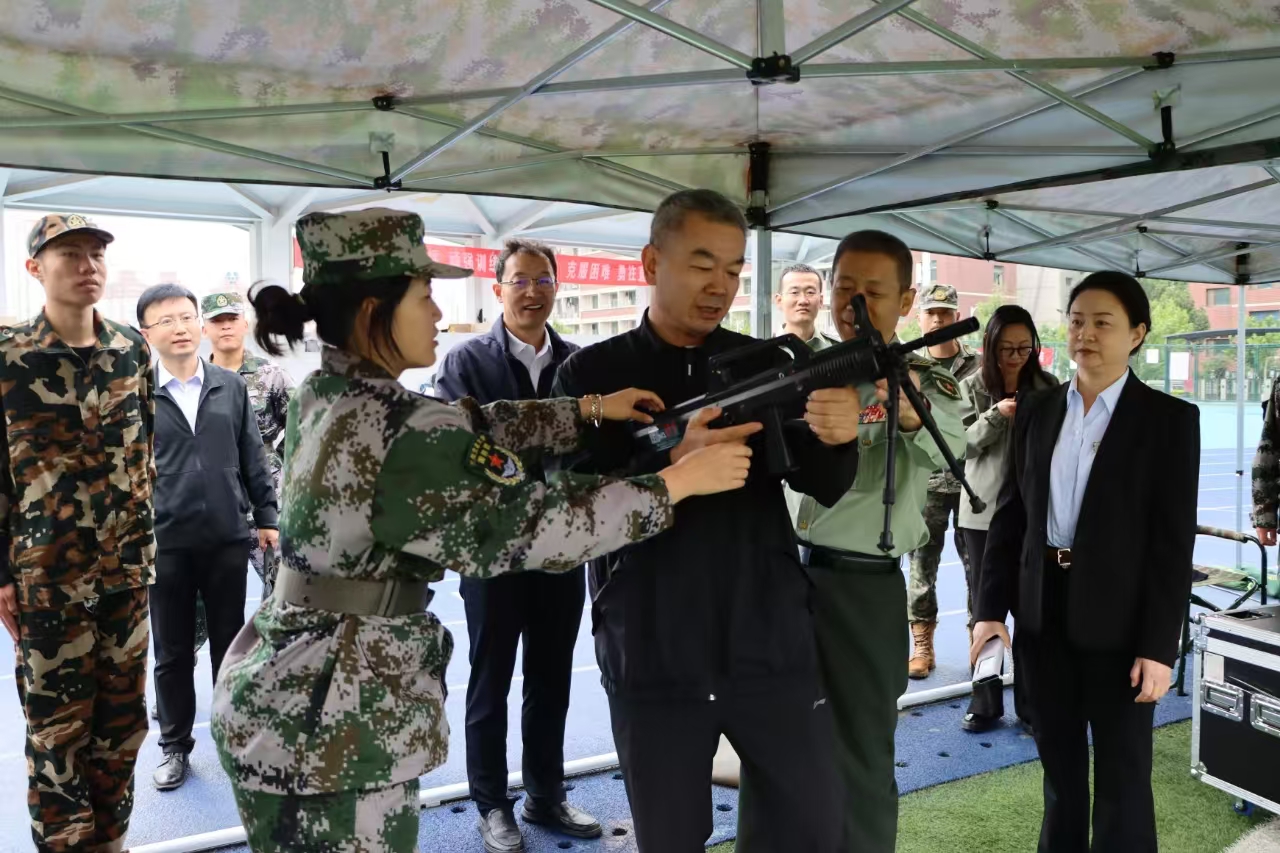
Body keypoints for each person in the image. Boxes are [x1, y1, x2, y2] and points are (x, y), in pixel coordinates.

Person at [210, 208, 751, 853]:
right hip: (332, 721)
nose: (439, 313)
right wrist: (677, 482)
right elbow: (533, 526)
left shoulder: (330, 391)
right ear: (373, 311)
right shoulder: (398, 429)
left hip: (297, 693)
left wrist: (587, 409)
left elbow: (471, 424)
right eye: (425, 296)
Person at [552, 189, 863, 853]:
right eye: (701, 264)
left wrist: (839, 437)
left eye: (732, 269)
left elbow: (825, 483)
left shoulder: (768, 362)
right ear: (650, 263)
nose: (719, 285)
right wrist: (672, 462)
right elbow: (568, 511)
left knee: (813, 827)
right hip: (652, 650)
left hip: (769, 640)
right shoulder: (591, 378)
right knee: (670, 837)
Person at [740, 230, 967, 853]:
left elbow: (952, 441)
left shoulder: (924, 381)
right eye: (844, 288)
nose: (854, 304)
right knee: (768, 744)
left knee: (860, 756)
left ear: (906, 301)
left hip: (862, 589)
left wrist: (898, 412)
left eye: (873, 291)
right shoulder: (797, 367)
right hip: (784, 576)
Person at [972, 271, 1199, 852]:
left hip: (1123, 629)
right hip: (1043, 616)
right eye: (1076, 321)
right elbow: (1011, 516)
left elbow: (1171, 546)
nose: (1086, 334)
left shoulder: (1169, 421)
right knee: (1060, 777)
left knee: (1124, 778)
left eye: (1103, 322)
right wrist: (989, 609)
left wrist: (1159, 647)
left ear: (1137, 334)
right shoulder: (1038, 409)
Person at [432, 239, 597, 852]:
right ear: (497, 289)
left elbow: (592, 451)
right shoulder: (466, 360)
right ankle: (491, 804)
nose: (532, 291)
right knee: (490, 678)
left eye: (543, 279)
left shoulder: (580, 364)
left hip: (561, 548)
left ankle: (546, 794)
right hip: (491, 550)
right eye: (520, 280)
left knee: (552, 677)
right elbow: (459, 446)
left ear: (558, 287)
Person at [1, 213, 156, 852]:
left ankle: (112, 840)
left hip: (127, 575)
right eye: (70, 253)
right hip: (48, 580)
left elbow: (146, 455)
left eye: (96, 253)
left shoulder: (131, 348)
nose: (88, 265)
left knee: (122, 726)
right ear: (35, 268)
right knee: (56, 731)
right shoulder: (9, 355)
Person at [138, 283, 279, 792]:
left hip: (226, 538)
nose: (179, 328)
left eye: (185, 317)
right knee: (172, 652)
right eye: (165, 321)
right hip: (166, 543)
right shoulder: (136, 394)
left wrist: (266, 516)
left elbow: (252, 454)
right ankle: (175, 748)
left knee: (230, 647)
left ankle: (238, 742)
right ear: (146, 334)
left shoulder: (229, 386)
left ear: (199, 324)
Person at [954, 304, 1058, 734]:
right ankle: (985, 702)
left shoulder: (1049, 387)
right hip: (982, 515)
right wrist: (997, 415)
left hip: (1036, 517)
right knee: (985, 609)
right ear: (989, 347)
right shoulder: (970, 387)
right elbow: (958, 445)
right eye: (1006, 349)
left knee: (1034, 609)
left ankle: (1032, 705)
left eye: (1023, 348)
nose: (1015, 357)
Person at [905, 283, 980, 679]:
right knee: (921, 567)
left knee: (977, 568)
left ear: (957, 318)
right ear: (920, 318)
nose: (938, 320)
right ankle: (922, 646)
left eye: (945, 313)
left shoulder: (979, 365)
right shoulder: (909, 366)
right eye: (931, 313)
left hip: (973, 483)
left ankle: (979, 641)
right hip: (926, 482)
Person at [205, 290, 295, 597]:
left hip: (266, 507)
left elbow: (302, 429)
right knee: (212, 603)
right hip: (215, 507)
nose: (226, 326)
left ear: (245, 325)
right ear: (204, 329)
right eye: (217, 321)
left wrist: (276, 463)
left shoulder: (271, 376)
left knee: (281, 592)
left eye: (232, 319)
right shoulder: (197, 380)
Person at [774, 262, 839, 350]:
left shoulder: (837, 350)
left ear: (821, 301)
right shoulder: (763, 352)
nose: (803, 301)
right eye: (794, 292)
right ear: (779, 301)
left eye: (810, 292)